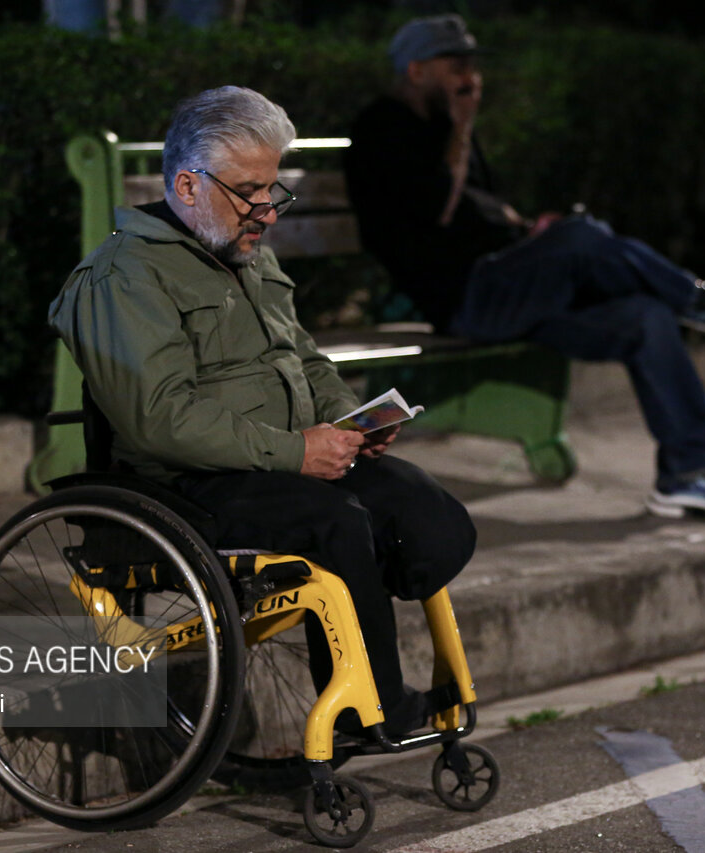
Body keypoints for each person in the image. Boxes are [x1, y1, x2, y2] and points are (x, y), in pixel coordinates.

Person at [48, 85, 475, 735]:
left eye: (273, 190)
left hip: (282, 460)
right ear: (188, 188)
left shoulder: (248, 256)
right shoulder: (121, 277)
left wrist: (347, 421)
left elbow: (303, 358)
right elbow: (159, 418)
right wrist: (297, 451)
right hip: (186, 488)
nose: (268, 212)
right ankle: (373, 707)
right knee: (339, 522)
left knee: (424, 510)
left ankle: (364, 614)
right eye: (251, 191)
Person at [345, 14, 705, 526]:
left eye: (474, 66)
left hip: (513, 288)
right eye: (456, 66)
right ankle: (694, 298)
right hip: (468, 299)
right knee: (584, 239)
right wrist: (461, 131)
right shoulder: (382, 127)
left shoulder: (447, 126)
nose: (470, 78)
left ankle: (687, 476)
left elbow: (485, 210)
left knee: (646, 317)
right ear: (416, 70)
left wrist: (528, 232)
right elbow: (441, 211)